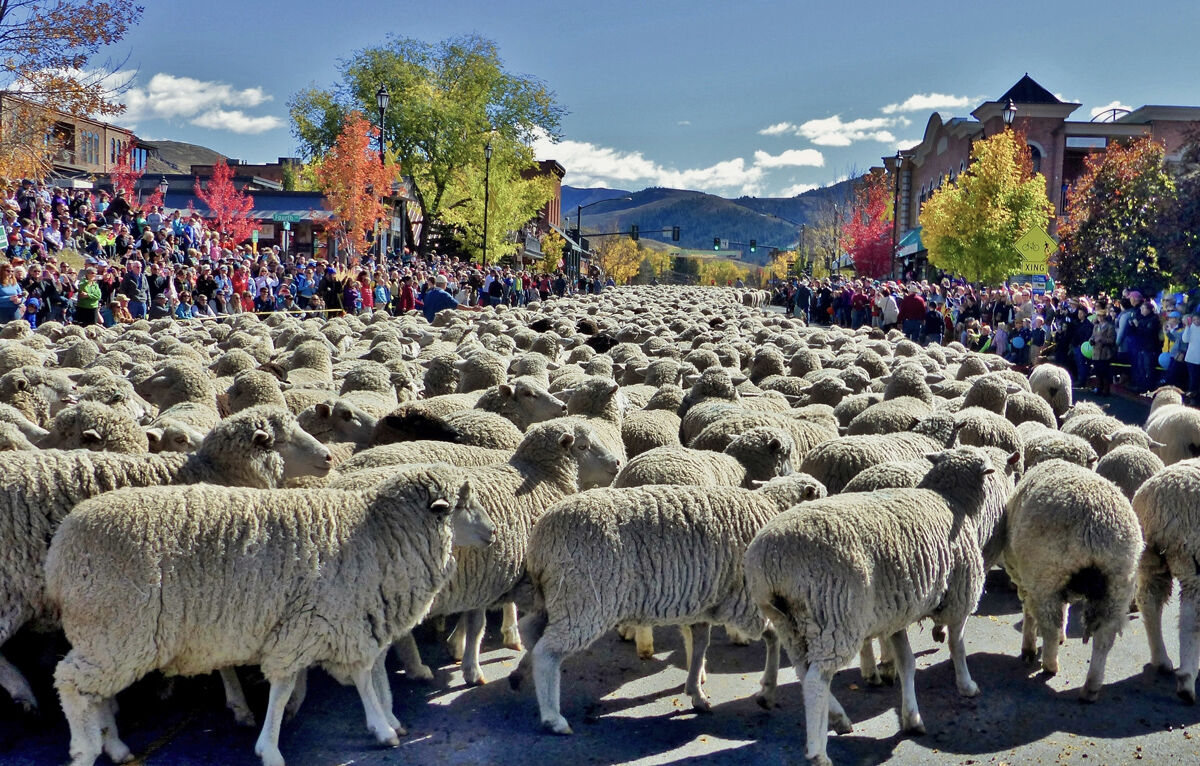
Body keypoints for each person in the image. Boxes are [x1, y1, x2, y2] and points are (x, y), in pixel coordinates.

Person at [1090, 310, 1117, 396]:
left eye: (1101, 316)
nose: (1099, 318)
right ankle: (1099, 388)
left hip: (1105, 353)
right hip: (1096, 352)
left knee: (1105, 373)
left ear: (1104, 316)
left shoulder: (1110, 327)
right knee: (1097, 372)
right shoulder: (1096, 326)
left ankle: (1106, 390)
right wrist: (1091, 340)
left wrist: (1102, 340)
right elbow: (1092, 336)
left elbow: (1112, 340)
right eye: (1098, 316)